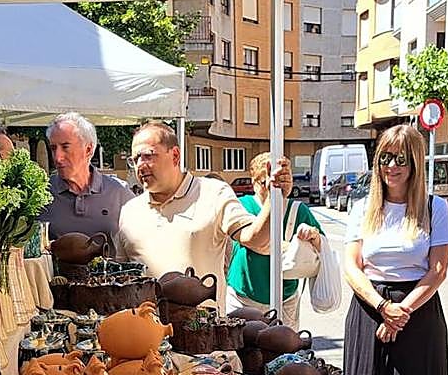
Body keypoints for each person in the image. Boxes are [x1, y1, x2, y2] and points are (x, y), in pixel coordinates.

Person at [342, 124, 448, 375]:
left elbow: (438, 270)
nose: (392, 166)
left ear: (416, 163)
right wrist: (383, 308)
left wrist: (401, 311)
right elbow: (352, 266)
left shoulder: (435, 209)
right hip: (369, 311)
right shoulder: (362, 207)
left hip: (417, 314)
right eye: (385, 158)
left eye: (401, 159)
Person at [115, 121, 287, 310]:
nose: (140, 165)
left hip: (201, 333)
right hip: (144, 335)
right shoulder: (129, 211)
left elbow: (259, 241)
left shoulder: (213, 193)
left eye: (148, 155)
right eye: (135, 159)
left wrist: (274, 198)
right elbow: (119, 280)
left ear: (175, 156)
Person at [227, 151, 323, 327]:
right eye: (265, 183)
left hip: (285, 296)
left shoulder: (297, 209)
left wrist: (313, 235)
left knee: (284, 347)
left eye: (282, 181)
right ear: (254, 183)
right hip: (244, 295)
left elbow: (321, 246)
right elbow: (251, 241)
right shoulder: (242, 206)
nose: (273, 188)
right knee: (244, 349)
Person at [39, 112, 133, 241]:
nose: (57, 157)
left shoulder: (118, 192)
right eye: (53, 148)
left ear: (88, 149)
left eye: (65, 147)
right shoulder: (41, 194)